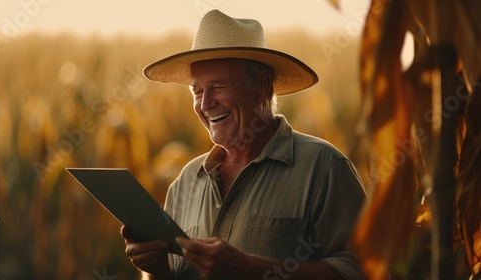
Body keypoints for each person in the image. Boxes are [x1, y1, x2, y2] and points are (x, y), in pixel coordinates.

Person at [121, 9, 367, 280]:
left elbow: (367, 272)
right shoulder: (186, 182)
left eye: (217, 87)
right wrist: (154, 269)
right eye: (197, 91)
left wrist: (248, 269)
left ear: (261, 86)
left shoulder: (324, 169)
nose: (205, 104)